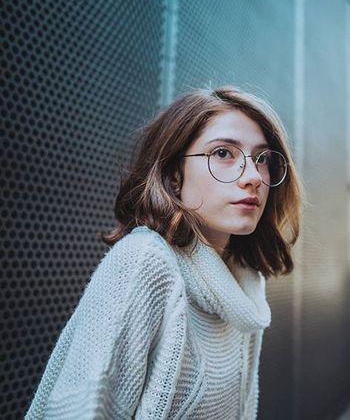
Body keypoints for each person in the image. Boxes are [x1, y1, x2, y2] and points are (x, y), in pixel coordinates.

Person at [25, 85, 303, 419]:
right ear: (174, 177)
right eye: (223, 153)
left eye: (262, 159)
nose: (253, 177)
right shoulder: (145, 263)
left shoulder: (246, 285)